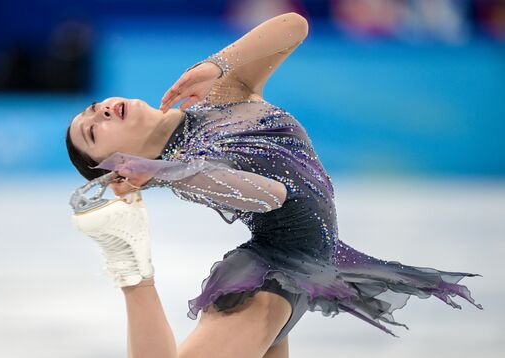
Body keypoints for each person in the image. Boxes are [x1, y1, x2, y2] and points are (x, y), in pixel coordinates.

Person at [65, 12, 483, 358]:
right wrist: (160, 171)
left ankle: (133, 274)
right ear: (117, 168)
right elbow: (269, 194)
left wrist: (218, 64)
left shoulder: (223, 93)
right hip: (267, 280)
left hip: (298, 270)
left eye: (91, 109)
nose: (99, 112)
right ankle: (133, 273)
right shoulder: (186, 171)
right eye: (93, 132)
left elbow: (293, 27)